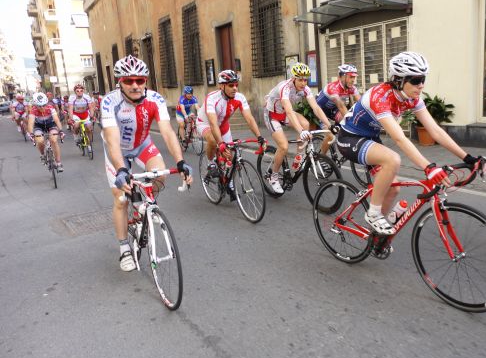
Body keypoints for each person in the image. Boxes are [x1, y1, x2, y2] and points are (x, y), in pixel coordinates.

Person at [336, 51, 483, 235]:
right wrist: (428, 167)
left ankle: (374, 238)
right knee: (393, 160)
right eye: (415, 80)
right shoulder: (380, 97)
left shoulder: (412, 98)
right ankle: (373, 214)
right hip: (349, 138)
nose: (421, 85)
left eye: (423, 79)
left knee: (393, 190)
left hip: (370, 139)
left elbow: (435, 131)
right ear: (398, 80)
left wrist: (468, 158)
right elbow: (399, 138)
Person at [101, 55, 193, 272]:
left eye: (140, 80)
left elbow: (168, 132)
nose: (135, 85)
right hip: (118, 151)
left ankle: (144, 209)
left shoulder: (155, 99)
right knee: (121, 199)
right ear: (120, 82)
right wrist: (122, 169)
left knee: (160, 175)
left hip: (142, 145)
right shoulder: (109, 102)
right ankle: (124, 247)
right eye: (129, 80)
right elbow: (112, 139)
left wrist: (180, 162)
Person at [263, 62, 334, 194]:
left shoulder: (305, 89)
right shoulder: (285, 88)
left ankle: (299, 156)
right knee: (283, 146)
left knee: (306, 124)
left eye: (305, 79)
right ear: (293, 78)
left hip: (283, 113)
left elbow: (316, 108)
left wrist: (330, 125)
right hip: (272, 115)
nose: (303, 83)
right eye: (300, 79)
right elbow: (290, 111)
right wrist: (301, 132)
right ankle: (273, 176)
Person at [196, 70, 265, 199]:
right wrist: (220, 144)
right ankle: (211, 164)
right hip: (205, 124)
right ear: (221, 86)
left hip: (223, 126)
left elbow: (249, 118)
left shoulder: (240, 98)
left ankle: (229, 182)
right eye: (230, 85)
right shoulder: (212, 98)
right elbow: (212, 122)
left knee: (230, 156)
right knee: (212, 141)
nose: (234, 88)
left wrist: (259, 137)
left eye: (236, 85)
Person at [315, 63, 361, 155]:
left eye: (354, 77)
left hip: (332, 110)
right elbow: (341, 106)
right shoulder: (333, 88)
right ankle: (321, 158)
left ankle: (341, 147)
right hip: (320, 111)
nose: (353, 80)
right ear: (342, 77)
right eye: (350, 77)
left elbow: (361, 103)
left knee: (346, 126)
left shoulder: (351, 88)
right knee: (330, 136)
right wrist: (353, 123)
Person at [27, 92, 65, 172]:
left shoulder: (50, 108)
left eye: (44, 105)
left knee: (54, 140)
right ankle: (42, 154)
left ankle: (58, 163)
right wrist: (31, 134)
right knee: (40, 141)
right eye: (39, 106)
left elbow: (56, 120)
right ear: (35, 105)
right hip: (39, 126)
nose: (42, 107)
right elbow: (30, 123)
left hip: (50, 124)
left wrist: (61, 130)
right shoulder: (33, 110)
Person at [68, 84, 95, 150]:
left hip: (85, 114)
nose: (79, 92)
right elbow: (70, 109)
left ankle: (89, 144)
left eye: (81, 91)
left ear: (83, 91)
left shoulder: (87, 97)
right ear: (75, 92)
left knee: (89, 128)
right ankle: (76, 137)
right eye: (77, 91)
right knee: (76, 125)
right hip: (76, 114)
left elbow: (91, 107)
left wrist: (92, 115)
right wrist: (71, 118)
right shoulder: (72, 98)